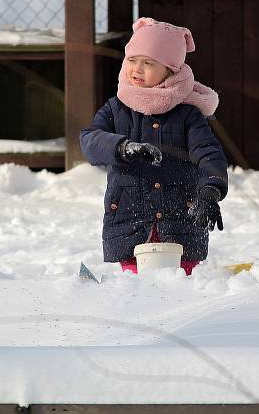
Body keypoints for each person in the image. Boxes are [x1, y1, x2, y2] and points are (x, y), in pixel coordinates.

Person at [79, 17, 228, 275]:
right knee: (136, 293)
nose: (137, 69)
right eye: (132, 61)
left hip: (181, 223)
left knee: (179, 288)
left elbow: (208, 153)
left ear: (170, 71)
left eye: (148, 63)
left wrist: (211, 190)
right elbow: (89, 140)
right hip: (129, 221)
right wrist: (123, 148)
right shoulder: (117, 108)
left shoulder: (188, 115)